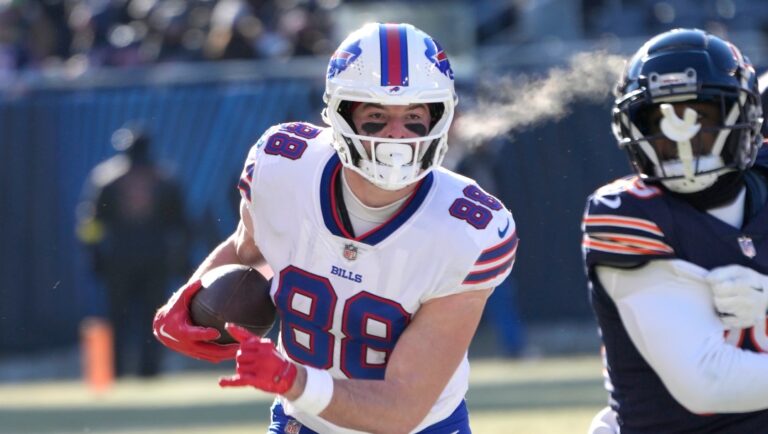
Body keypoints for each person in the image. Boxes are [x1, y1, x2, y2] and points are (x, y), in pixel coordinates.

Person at [153, 22, 517, 434]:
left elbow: (401, 408)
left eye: (414, 116)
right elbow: (247, 252)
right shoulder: (283, 166)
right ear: (340, 113)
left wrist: (292, 380)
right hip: (302, 422)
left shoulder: (468, 229)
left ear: (441, 115)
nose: (396, 134)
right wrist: (188, 300)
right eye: (376, 115)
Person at [581, 28, 768, 433]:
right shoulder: (627, 211)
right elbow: (708, 382)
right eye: (661, 121)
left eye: (701, 116)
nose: (683, 138)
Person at [77, 124, 189, 378]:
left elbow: (91, 223)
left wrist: (94, 255)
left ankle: (116, 371)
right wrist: (182, 260)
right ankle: (149, 371)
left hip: (119, 260)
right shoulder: (164, 178)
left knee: (120, 318)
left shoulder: (107, 179)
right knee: (154, 318)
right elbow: (182, 226)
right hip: (155, 260)